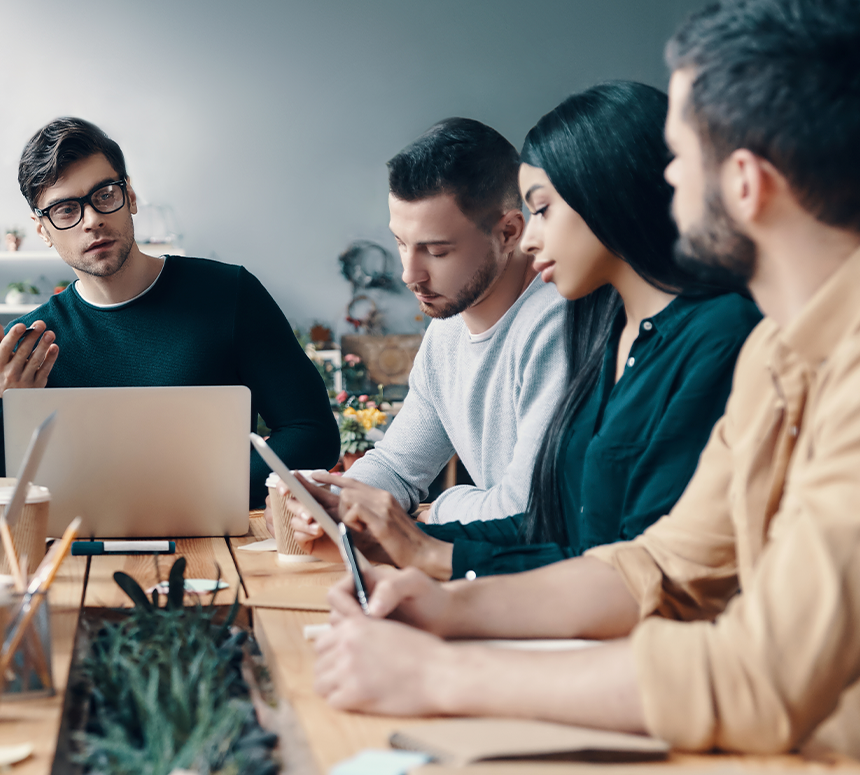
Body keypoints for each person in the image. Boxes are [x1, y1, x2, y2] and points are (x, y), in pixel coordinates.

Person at [309, 0, 860, 756]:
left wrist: (443, 673)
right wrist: (450, 612)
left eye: (677, 155)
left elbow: (760, 677)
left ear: (743, 182)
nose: (664, 179)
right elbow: (656, 565)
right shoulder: (779, 351)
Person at [287, 82, 761, 579]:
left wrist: (430, 522)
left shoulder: (585, 321)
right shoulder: (622, 334)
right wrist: (351, 508)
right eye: (401, 244)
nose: (409, 275)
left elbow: (576, 538)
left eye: (543, 210)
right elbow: (584, 542)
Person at [0, 117, 338, 507]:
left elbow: (313, 434)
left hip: (220, 545)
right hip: (82, 554)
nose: (92, 220)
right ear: (42, 230)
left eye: (104, 195)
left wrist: (197, 493)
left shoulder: (229, 294)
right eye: (65, 210)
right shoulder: (34, 341)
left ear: (131, 197)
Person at [334, 118, 570, 526]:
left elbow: (527, 511)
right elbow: (396, 466)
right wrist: (334, 499)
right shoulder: (446, 329)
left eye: (437, 251)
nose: (410, 275)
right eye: (401, 243)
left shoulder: (556, 327)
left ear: (510, 232)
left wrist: (437, 511)